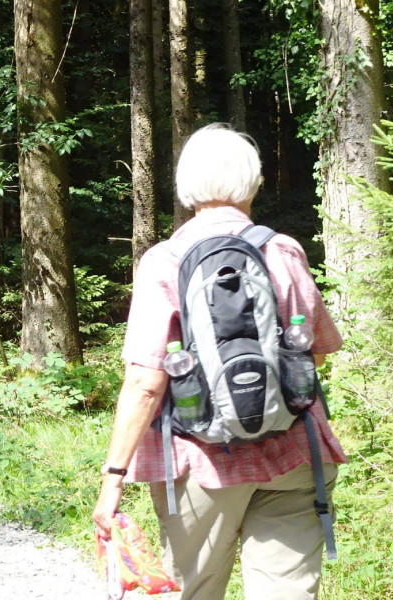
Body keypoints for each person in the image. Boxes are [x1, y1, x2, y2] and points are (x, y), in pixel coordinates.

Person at [92, 125, 347, 600]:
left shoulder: (164, 261)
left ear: (186, 185)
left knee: (197, 591)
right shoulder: (283, 250)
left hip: (199, 462)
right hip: (292, 450)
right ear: (254, 180)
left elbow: (146, 382)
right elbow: (316, 351)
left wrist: (114, 479)